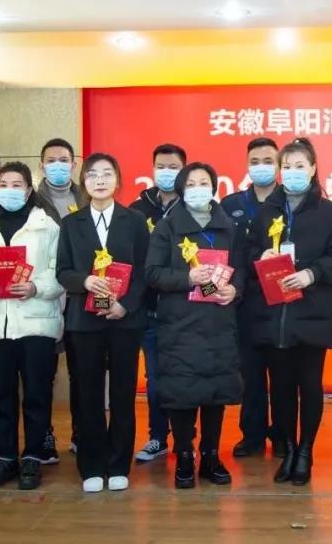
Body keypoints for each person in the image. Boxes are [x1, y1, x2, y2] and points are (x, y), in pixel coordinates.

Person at [246, 138, 332, 486]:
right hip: (273, 314)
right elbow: (247, 253)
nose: (292, 172)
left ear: (313, 169)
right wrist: (258, 258)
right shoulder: (266, 212)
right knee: (281, 388)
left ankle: (306, 451)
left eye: (299, 166)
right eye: (286, 166)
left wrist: (311, 274)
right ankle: (288, 448)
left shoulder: (329, 213)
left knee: (310, 385)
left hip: (312, 312)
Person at [0, 162, 63, 490]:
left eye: (17, 185)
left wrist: (36, 287)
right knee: (1, 395)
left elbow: (59, 272)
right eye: (3, 184)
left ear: (29, 190)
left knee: (37, 394)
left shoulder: (47, 226)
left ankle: (33, 456)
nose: (9, 190)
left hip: (35, 323)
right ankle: (5, 457)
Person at [56, 153, 151, 493]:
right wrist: (84, 281)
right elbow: (62, 271)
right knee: (89, 395)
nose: (99, 180)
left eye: (107, 173)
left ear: (118, 180)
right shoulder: (71, 223)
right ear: (84, 182)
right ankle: (92, 465)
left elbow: (145, 271)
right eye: (92, 174)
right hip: (84, 321)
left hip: (125, 321)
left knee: (123, 394)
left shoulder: (135, 221)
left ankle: (119, 463)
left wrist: (125, 305)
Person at [145, 162, 244, 488]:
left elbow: (242, 270)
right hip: (180, 324)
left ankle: (211, 455)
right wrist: (187, 277)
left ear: (214, 187)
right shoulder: (168, 227)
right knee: (182, 392)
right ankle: (185, 454)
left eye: (204, 182)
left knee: (216, 391)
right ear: (182, 189)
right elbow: (152, 273)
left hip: (219, 322)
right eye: (191, 184)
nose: (198, 188)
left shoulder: (228, 227)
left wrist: (235, 290)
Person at [220, 137, 285, 459]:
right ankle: (253, 435)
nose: (262, 167)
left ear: (279, 165)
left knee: (283, 375)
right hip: (243, 301)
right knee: (250, 373)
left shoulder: (288, 203)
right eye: (255, 161)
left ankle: (283, 435)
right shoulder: (231, 204)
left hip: (282, 300)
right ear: (247, 165)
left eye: (268, 161)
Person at [129, 143, 186, 465]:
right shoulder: (137, 210)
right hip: (148, 310)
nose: (167, 172)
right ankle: (157, 437)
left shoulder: (194, 207)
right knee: (155, 379)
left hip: (184, 311)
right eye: (161, 166)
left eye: (173, 167)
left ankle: (185, 439)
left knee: (185, 375)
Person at [36, 137, 87, 459]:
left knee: (82, 371)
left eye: (64, 160)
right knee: (43, 373)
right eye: (51, 160)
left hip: (81, 296)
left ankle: (82, 432)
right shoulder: (31, 200)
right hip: (44, 297)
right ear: (41, 166)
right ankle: (44, 436)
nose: (58, 165)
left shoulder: (87, 196)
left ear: (74, 164)